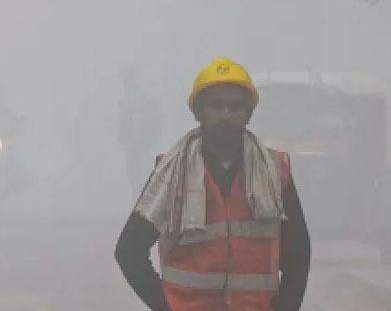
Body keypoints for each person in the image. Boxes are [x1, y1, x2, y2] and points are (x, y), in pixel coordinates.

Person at [114, 57, 311, 311]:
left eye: (234, 106)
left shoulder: (274, 171)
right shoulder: (171, 172)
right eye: (216, 105)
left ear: (248, 114)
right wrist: (166, 307)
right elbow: (129, 250)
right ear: (199, 111)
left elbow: (297, 254)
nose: (225, 114)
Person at [117, 67, 164, 199]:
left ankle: (143, 204)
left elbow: (155, 121)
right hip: (135, 147)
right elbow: (122, 127)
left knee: (142, 178)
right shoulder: (127, 102)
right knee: (137, 179)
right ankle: (140, 204)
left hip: (142, 147)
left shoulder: (140, 100)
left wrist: (146, 140)